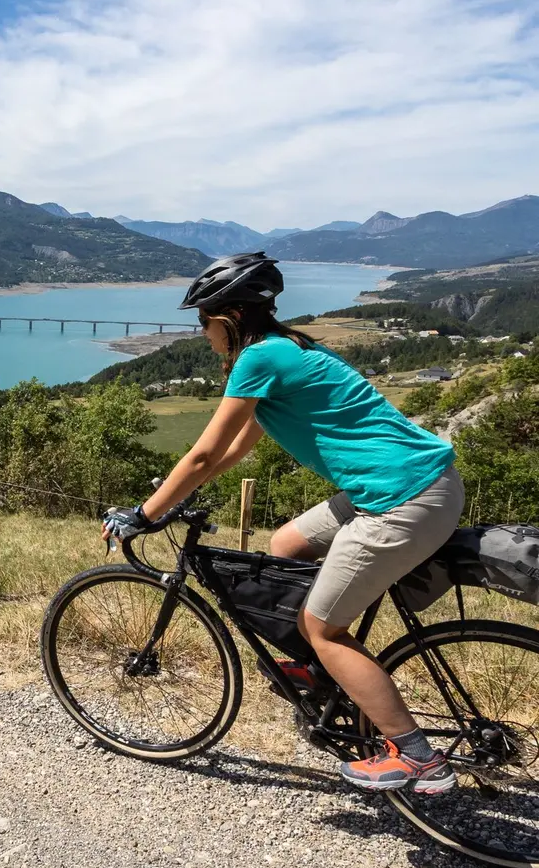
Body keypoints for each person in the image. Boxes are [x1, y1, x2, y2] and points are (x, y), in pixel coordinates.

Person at [103, 253, 464, 794]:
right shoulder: (289, 347)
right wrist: (177, 497)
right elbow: (232, 452)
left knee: (324, 629)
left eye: (203, 320)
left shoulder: (259, 358)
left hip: (400, 500)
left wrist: (143, 515)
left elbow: (203, 454)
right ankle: (320, 672)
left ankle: (418, 758)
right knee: (286, 544)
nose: (201, 332)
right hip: (418, 485)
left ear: (229, 318)